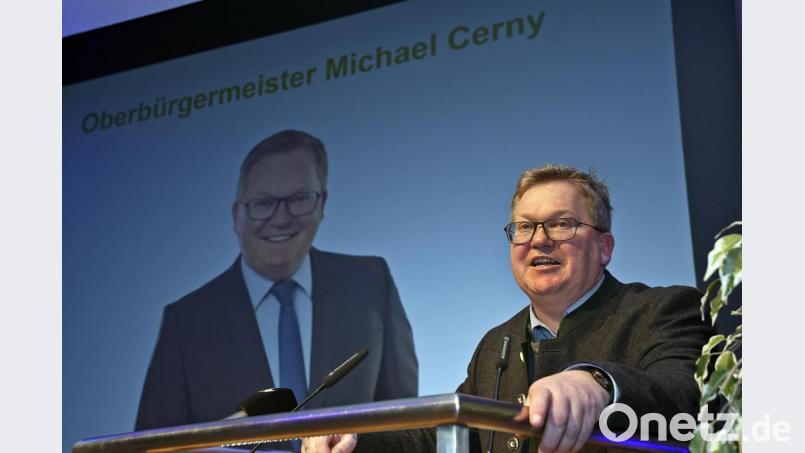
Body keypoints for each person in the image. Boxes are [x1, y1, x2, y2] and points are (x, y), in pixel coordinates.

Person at [304, 164, 713, 453]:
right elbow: (454, 437)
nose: (539, 240)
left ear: (604, 247)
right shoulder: (494, 343)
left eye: (562, 224)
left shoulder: (662, 309)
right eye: (524, 227)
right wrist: (356, 438)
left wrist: (597, 383)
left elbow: (683, 397)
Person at [135, 130, 418, 432]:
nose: (282, 218)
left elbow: (406, 424)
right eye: (264, 203)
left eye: (300, 199)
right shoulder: (187, 321)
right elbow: (150, 445)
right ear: (236, 216)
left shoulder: (369, 283)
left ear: (322, 205)